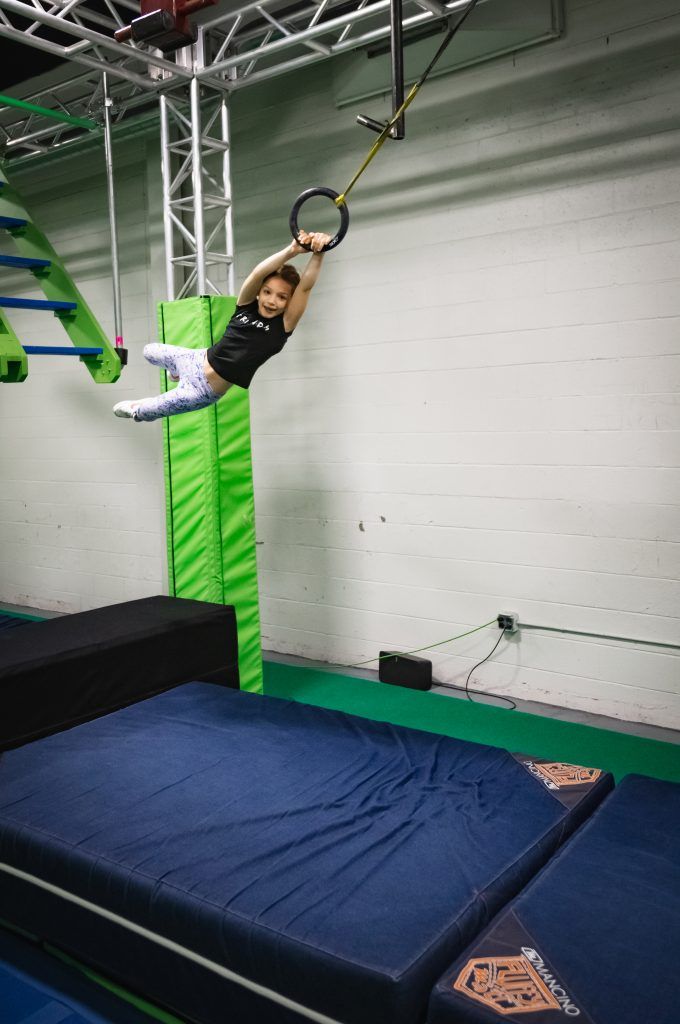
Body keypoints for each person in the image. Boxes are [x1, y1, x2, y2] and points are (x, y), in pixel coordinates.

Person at [113, 229, 332, 422]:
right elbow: (258, 273)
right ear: (259, 292)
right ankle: (175, 372)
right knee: (149, 351)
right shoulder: (246, 306)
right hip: (195, 359)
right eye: (267, 292)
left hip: (202, 390)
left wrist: (319, 253)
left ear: (289, 302)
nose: (272, 301)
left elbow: (305, 287)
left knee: (145, 411)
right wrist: (291, 250)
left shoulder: (283, 326)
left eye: (282, 297)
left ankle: (139, 409)